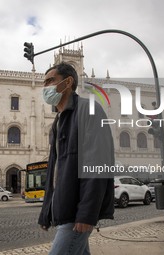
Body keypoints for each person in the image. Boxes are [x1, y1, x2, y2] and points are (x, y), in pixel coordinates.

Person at [38, 62, 115, 255]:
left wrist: (87, 214)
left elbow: (98, 163)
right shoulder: (58, 122)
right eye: (44, 82)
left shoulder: (89, 110)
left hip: (76, 212)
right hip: (66, 209)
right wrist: (46, 211)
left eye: (50, 81)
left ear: (68, 82)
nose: (45, 87)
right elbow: (55, 170)